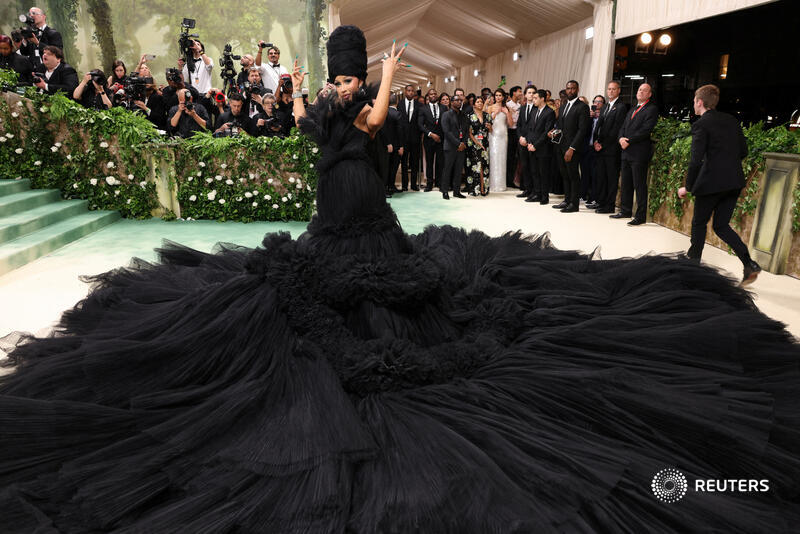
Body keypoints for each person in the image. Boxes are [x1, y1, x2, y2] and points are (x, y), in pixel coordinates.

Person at [2, 24, 799, 534]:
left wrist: (381, 77)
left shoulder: (340, 105)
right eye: (345, 72)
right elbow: (375, 123)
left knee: (403, 290)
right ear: (337, 74)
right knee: (330, 301)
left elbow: (376, 137)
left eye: (355, 72)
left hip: (371, 216)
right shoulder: (329, 106)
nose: (349, 80)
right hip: (335, 218)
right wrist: (384, 78)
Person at [678, 84, 762, 285]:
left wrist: (688, 187)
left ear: (700, 102)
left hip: (710, 183)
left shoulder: (701, 125)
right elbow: (743, 151)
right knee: (721, 225)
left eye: (694, 102)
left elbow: (696, 160)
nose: (693, 105)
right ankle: (749, 263)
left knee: (699, 224)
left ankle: (693, 267)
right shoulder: (731, 120)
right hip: (733, 182)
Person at [612, 82, 658, 225]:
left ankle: (640, 216)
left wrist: (629, 140)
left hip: (638, 152)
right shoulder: (632, 109)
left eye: (644, 91)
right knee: (626, 183)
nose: (641, 92)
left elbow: (645, 130)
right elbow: (623, 127)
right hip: (626, 151)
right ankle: (625, 211)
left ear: (649, 94)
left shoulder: (651, 109)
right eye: (639, 90)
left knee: (639, 185)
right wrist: (620, 138)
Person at [549, 80, 589, 213]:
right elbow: (560, 126)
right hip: (560, 146)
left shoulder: (582, 106)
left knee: (573, 175)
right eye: (568, 88)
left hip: (572, 148)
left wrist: (572, 148)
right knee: (564, 175)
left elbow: (582, 130)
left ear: (577, 90)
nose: (570, 91)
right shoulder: (564, 105)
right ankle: (567, 200)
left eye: (573, 88)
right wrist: (553, 132)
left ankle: (574, 204)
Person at [592, 80, 629, 214]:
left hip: (611, 149)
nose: (611, 91)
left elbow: (616, 129)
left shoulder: (621, 107)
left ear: (619, 90)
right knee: (601, 176)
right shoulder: (606, 106)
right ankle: (601, 202)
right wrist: (596, 140)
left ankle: (609, 205)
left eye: (614, 89)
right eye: (609, 89)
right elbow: (598, 126)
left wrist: (603, 144)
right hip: (600, 148)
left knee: (611, 178)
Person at [522, 89, 555, 204]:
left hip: (543, 148)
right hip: (532, 146)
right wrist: (530, 143)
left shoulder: (549, 112)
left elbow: (546, 132)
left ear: (542, 99)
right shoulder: (534, 110)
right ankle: (536, 193)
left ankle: (544, 196)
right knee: (534, 172)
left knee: (543, 173)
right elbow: (530, 129)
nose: (533, 100)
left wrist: (535, 145)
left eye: (535, 98)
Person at [440, 93, 469, 200]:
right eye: (457, 100)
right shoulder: (446, 115)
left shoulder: (464, 115)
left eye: (461, 101)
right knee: (447, 169)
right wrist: (458, 143)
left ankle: (457, 191)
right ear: (452, 102)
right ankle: (445, 191)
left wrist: (464, 143)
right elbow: (447, 132)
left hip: (462, 147)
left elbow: (466, 131)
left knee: (458, 170)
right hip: (450, 146)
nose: (459, 102)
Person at [418, 88, 446, 191]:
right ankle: (429, 184)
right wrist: (431, 134)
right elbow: (420, 125)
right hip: (429, 139)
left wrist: (441, 136)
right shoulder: (423, 109)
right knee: (429, 162)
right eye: (431, 94)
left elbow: (446, 123)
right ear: (428, 96)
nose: (433, 95)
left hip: (441, 140)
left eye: (435, 93)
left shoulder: (443, 108)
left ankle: (440, 183)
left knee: (441, 162)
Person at [580, 94, 605, 206]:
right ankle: (583, 195)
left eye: (600, 101)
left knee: (595, 175)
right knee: (585, 173)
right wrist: (588, 117)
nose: (597, 103)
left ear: (603, 104)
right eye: (595, 101)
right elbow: (583, 131)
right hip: (586, 148)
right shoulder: (589, 115)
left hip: (598, 149)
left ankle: (594, 198)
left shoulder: (604, 116)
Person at [465, 95, 492, 196]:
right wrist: (476, 142)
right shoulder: (470, 116)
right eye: (478, 102)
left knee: (484, 166)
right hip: (473, 143)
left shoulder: (487, 115)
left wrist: (490, 127)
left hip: (485, 143)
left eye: (481, 102)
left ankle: (483, 187)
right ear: (474, 104)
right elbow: (469, 132)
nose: (480, 103)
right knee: (476, 166)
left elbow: (491, 130)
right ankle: (476, 189)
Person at [398, 84, 421, 191]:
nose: (410, 92)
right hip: (403, 138)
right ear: (405, 91)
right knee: (403, 163)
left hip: (415, 138)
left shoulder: (419, 105)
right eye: (408, 91)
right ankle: (404, 184)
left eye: (412, 91)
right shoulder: (400, 104)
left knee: (415, 162)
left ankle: (413, 184)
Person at [516, 85, 537, 199]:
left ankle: (535, 191)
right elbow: (519, 125)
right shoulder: (523, 108)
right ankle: (527, 189)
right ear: (525, 95)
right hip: (522, 141)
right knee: (524, 166)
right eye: (529, 92)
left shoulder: (537, 108)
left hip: (531, 142)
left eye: (533, 92)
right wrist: (520, 137)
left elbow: (534, 128)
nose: (531, 94)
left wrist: (527, 139)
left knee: (533, 167)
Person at [488, 88, 509, 192]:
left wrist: (507, 112)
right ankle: (493, 184)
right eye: (496, 95)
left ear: (503, 97)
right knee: (493, 158)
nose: (498, 97)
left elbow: (511, 124)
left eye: (500, 95)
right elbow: (486, 123)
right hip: (493, 135)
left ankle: (501, 184)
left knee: (502, 158)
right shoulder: (490, 107)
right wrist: (494, 114)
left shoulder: (506, 108)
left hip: (503, 135)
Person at [385, 93, 404, 196]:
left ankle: (389, 186)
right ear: (396, 102)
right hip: (396, 146)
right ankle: (390, 186)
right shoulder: (397, 114)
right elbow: (399, 132)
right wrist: (401, 146)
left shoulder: (384, 112)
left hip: (385, 145)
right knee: (393, 168)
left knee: (386, 167)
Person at [506, 85, 522, 188]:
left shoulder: (520, 105)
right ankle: (508, 180)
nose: (521, 93)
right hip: (509, 132)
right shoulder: (508, 105)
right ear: (514, 93)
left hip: (518, 132)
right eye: (519, 91)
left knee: (516, 158)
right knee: (509, 157)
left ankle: (513, 179)